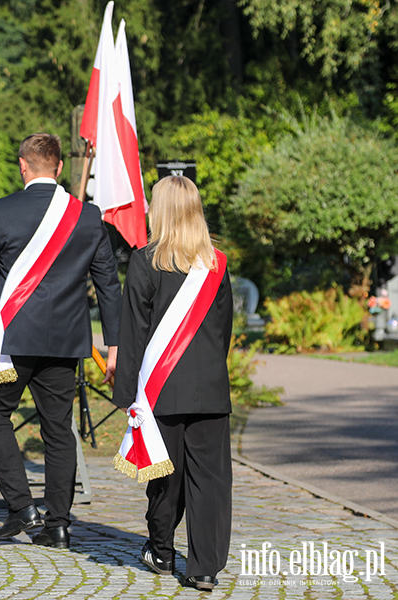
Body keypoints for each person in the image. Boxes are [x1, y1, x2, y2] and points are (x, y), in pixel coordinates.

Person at [0, 133, 122, 549]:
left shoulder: (1, 212)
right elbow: (109, 286)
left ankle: (21, 506)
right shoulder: (89, 218)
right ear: (56, 167)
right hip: (67, 341)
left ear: (23, 165)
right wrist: (115, 347)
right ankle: (58, 525)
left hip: (12, 342)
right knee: (59, 430)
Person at [112, 176, 233, 591]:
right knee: (211, 481)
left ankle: (161, 550)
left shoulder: (145, 261)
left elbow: (133, 335)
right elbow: (223, 331)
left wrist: (126, 395)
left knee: (166, 476)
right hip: (211, 389)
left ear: (159, 210)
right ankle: (204, 568)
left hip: (161, 391)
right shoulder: (217, 263)